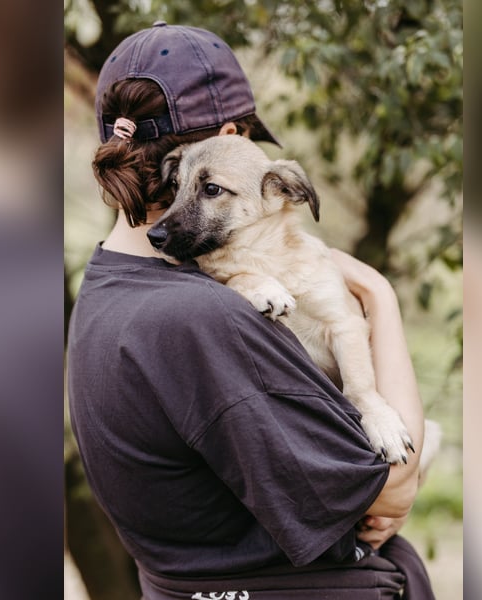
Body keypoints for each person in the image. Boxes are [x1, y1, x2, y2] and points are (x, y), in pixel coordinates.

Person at [68, 22, 435, 599]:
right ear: (231, 136)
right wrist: (379, 296)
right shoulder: (206, 316)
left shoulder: (108, 287)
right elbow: (392, 488)